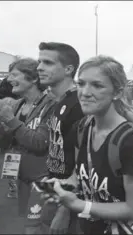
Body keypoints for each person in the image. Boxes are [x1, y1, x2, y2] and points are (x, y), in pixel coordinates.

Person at [41, 56, 133, 235]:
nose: (85, 92)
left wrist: (78, 205)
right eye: (81, 84)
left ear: (118, 93)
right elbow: (80, 175)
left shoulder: (130, 140)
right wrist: (62, 185)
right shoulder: (82, 127)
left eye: (97, 85)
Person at [0, 58, 56, 234]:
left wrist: (10, 120)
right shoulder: (19, 105)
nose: (8, 79)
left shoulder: (51, 104)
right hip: (23, 180)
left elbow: (40, 143)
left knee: (35, 229)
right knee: (31, 227)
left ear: (33, 79)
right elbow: (6, 144)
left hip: (44, 180)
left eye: (14, 74)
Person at [37, 42, 84, 233]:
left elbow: (84, 161)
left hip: (72, 198)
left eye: (47, 63)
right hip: (55, 187)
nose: (39, 67)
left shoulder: (78, 104)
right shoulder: (58, 101)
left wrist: (65, 209)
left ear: (68, 69)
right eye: (40, 62)